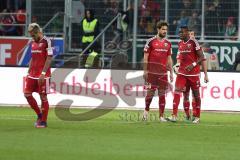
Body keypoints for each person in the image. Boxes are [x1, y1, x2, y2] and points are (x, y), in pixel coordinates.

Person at [168, 26, 205, 124]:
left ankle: (197, 116)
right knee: (177, 91)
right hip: (182, 73)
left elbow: (202, 57)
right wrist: (177, 66)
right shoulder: (179, 44)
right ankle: (174, 115)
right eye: (179, 32)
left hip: (193, 74)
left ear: (187, 33)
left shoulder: (193, 42)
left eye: (182, 32)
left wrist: (193, 65)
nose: (180, 34)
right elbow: (180, 58)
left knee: (196, 94)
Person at [142, 21, 173, 122]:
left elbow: (169, 59)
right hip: (152, 73)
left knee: (162, 94)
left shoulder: (168, 44)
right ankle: (146, 112)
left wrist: (171, 72)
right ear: (158, 29)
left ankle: (161, 116)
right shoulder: (150, 42)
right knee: (150, 94)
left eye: (166, 30)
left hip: (163, 73)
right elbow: (145, 58)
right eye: (163, 29)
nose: (165, 31)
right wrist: (145, 71)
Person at [23, 23, 52, 128]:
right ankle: (39, 115)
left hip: (43, 75)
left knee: (43, 96)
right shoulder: (33, 42)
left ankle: (44, 121)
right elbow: (32, 58)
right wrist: (28, 72)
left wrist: (43, 73)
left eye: (33, 35)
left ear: (38, 32)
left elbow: (49, 58)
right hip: (32, 74)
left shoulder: (46, 41)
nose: (32, 37)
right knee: (27, 94)